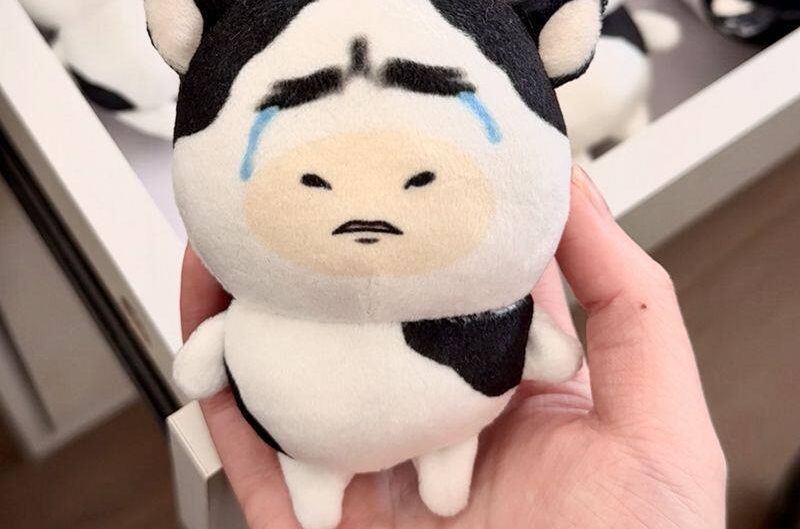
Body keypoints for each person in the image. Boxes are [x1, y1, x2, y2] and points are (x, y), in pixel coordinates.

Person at [179, 166, 727, 528]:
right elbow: (548, 352)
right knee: (325, 478)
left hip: (440, 423)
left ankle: (423, 473)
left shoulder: (477, 292)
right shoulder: (276, 293)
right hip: (312, 435)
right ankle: (324, 482)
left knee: (445, 450)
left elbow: (543, 350)